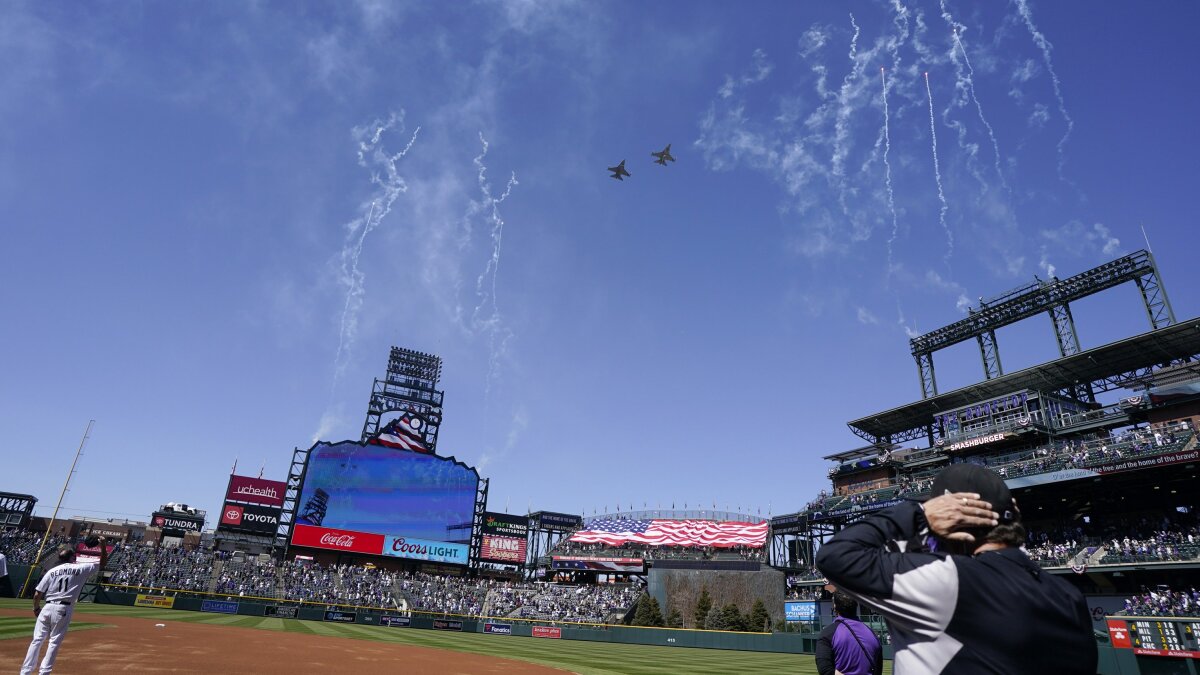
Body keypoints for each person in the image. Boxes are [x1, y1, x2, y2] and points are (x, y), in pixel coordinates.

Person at [816, 464, 1096, 674]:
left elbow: (835, 555)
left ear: (949, 520)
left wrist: (918, 514)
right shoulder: (1069, 595)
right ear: (1014, 509)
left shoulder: (949, 580)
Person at [22, 536, 108, 675]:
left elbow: (37, 594)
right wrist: (103, 545)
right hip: (63, 608)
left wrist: (36, 608)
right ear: (72, 558)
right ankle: (44, 672)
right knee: (54, 642)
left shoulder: (51, 571)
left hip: (47, 607)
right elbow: (103, 563)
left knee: (36, 640)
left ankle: (25, 672)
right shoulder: (80, 568)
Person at [815, 590, 883, 675]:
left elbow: (825, 670)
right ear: (856, 605)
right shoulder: (872, 634)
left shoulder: (828, 633)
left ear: (835, 607)